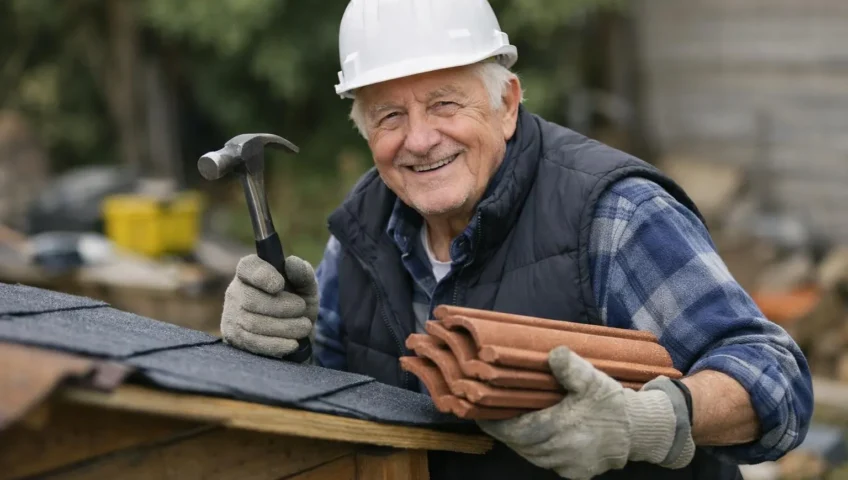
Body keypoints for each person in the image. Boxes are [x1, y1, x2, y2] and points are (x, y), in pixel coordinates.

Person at [219, 1, 813, 478]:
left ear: (507, 104)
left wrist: (648, 421)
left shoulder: (615, 216)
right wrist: (278, 343)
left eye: (444, 103)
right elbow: (327, 397)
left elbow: (774, 379)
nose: (420, 140)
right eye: (389, 117)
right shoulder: (360, 228)